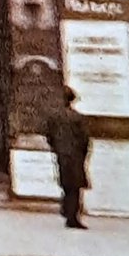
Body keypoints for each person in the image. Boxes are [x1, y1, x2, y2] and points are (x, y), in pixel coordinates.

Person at [45, 86, 91, 229]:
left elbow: (49, 136)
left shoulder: (54, 118)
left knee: (66, 184)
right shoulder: (77, 118)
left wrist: (56, 149)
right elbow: (85, 139)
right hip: (75, 155)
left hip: (62, 155)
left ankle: (67, 209)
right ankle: (71, 216)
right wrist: (84, 155)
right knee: (75, 187)